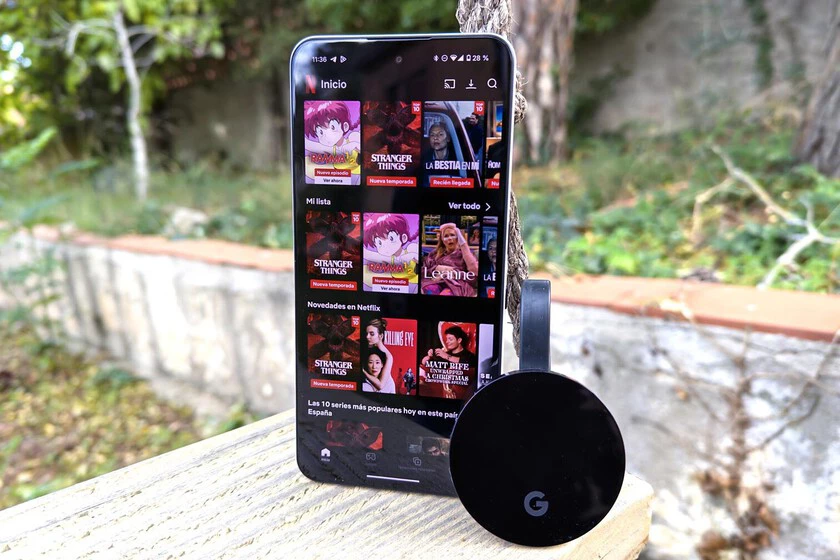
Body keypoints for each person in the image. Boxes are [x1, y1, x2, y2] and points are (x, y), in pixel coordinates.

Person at [303, 101, 361, 184]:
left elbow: (366, 149)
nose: (326, 135)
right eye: (320, 132)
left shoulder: (353, 137)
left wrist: (354, 145)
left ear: (345, 126)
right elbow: (310, 145)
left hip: (358, 178)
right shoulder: (331, 149)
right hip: (339, 179)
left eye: (332, 127)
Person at [363, 214, 419, 293]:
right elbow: (369, 255)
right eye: (379, 243)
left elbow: (418, 257)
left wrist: (412, 256)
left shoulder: (411, 248)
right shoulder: (390, 258)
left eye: (391, 238)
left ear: (403, 238)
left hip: (413, 286)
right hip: (396, 287)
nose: (385, 246)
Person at [421, 222, 478, 297]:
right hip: (436, 282)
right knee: (429, 289)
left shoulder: (464, 255)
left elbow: (474, 276)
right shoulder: (434, 254)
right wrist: (436, 268)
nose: (450, 238)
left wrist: (453, 273)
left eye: (452, 235)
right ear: (442, 240)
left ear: (458, 237)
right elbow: (423, 271)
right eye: (446, 236)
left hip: (456, 285)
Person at [362, 319, 396, 394]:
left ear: (381, 336)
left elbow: (380, 385)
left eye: (372, 334)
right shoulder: (368, 349)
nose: (367, 337)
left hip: (387, 390)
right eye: (367, 333)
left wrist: (363, 371)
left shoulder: (388, 356)